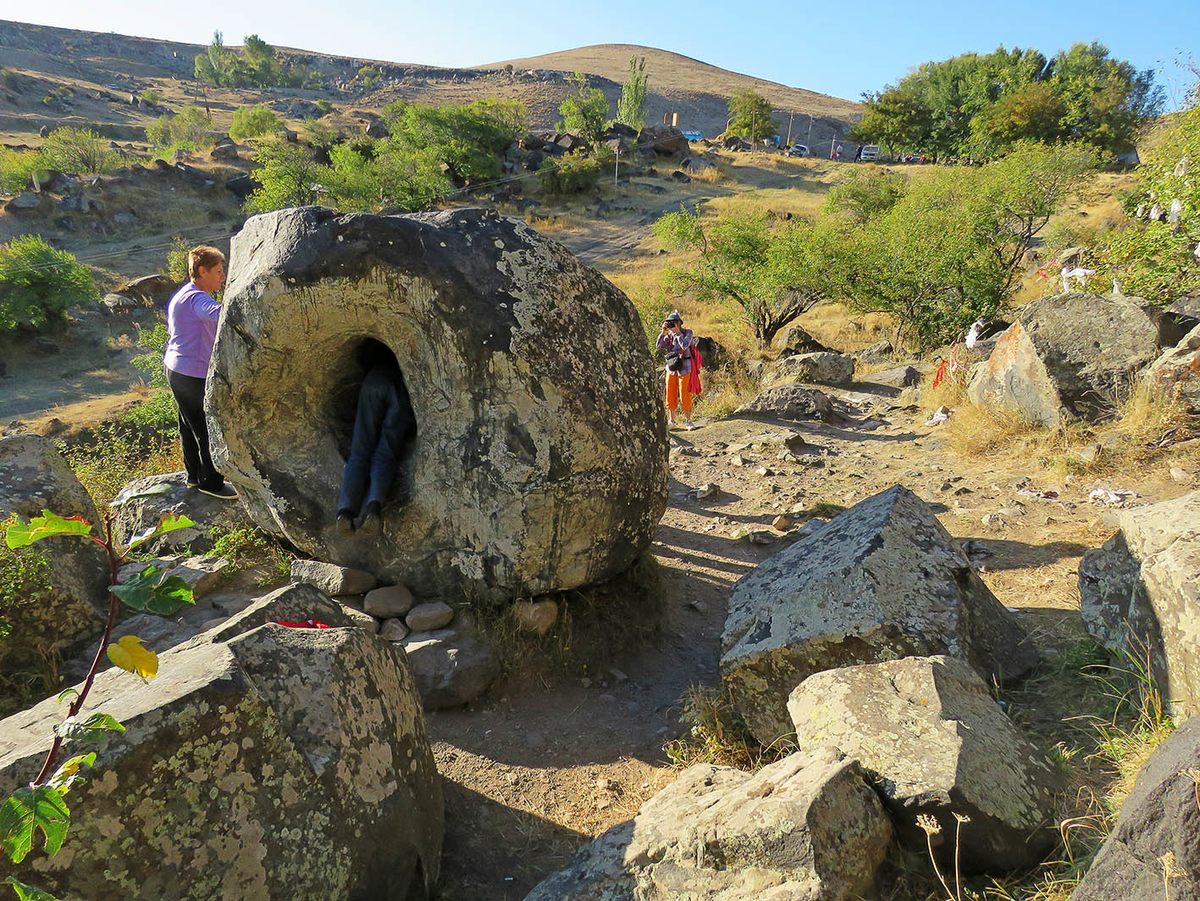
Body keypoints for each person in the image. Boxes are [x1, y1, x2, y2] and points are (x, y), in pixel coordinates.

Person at [163, 245, 237, 500]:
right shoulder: (196, 298)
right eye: (218, 271)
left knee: (188, 426)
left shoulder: (185, 293)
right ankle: (211, 483)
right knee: (206, 428)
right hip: (191, 373)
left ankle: (194, 476)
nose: (222, 277)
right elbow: (218, 314)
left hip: (178, 370)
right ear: (202, 271)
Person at [337, 341, 416, 536]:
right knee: (386, 449)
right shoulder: (399, 363)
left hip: (373, 381)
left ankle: (345, 512)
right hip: (399, 386)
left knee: (361, 448)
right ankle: (373, 507)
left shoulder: (372, 365)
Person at [655, 311, 697, 430]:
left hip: (685, 366)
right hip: (672, 367)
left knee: (684, 393)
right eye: (669, 323)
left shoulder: (687, 332)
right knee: (670, 392)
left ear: (679, 323)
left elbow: (684, 346)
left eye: (673, 323)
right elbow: (658, 346)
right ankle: (672, 420)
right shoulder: (669, 335)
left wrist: (678, 333)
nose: (671, 325)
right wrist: (663, 332)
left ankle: (688, 421)